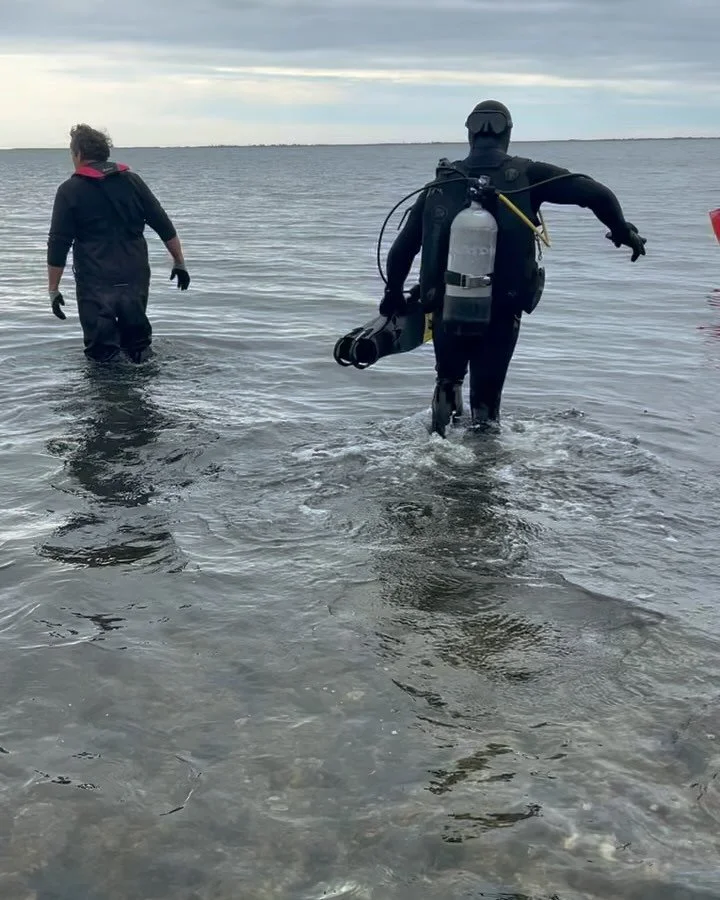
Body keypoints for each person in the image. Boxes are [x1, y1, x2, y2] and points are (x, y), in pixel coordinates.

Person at [380, 100, 647, 436]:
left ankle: (439, 454)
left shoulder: (441, 184)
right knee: (487, 405)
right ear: (507, 133)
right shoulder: (526, 175)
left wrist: (392, 294)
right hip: (501, 309)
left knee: (447, 381)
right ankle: (483, 473)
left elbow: (402, 248)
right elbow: (595, 193)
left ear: (469, 134)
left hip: (448, 306)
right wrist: (622, 232)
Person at [47, 123, 190, 363]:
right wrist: (179, 263)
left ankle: (108, 398)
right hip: (134, 275)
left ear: (79, 154)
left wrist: (53, 289)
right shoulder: (133, 181)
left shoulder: (70, 190)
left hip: (96, 280)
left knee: (102, 352)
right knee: (138, 345)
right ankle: (140, 395)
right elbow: (164, 225)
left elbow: (58, 244)